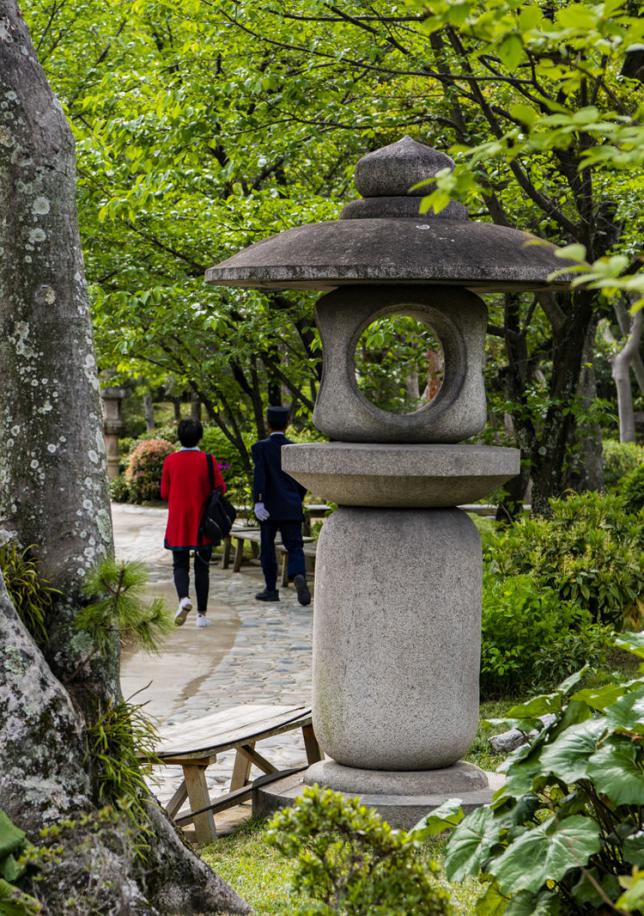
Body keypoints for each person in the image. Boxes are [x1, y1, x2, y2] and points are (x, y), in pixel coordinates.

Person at [160, 418, 226, 628]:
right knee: (202, 568)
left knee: (180, 564)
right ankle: (201, 616)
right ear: (200, 436)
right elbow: (220, 488)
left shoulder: (170, 461)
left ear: (179, 437)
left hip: (179, 521)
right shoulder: (208, 459)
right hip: (202, 522)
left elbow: (163, 493)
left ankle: (183, 599)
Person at [252, 406, 311, 606]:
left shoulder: (260, 448)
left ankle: (270, 589)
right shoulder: (294, 449)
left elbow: (259, 476)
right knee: (295, 546)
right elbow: (303, 482)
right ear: (288, 424)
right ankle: (298, 576)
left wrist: (258, 500)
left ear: (268, 424)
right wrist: (296, 498)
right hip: (291, 505)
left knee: (268, 548)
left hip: (268, 508)